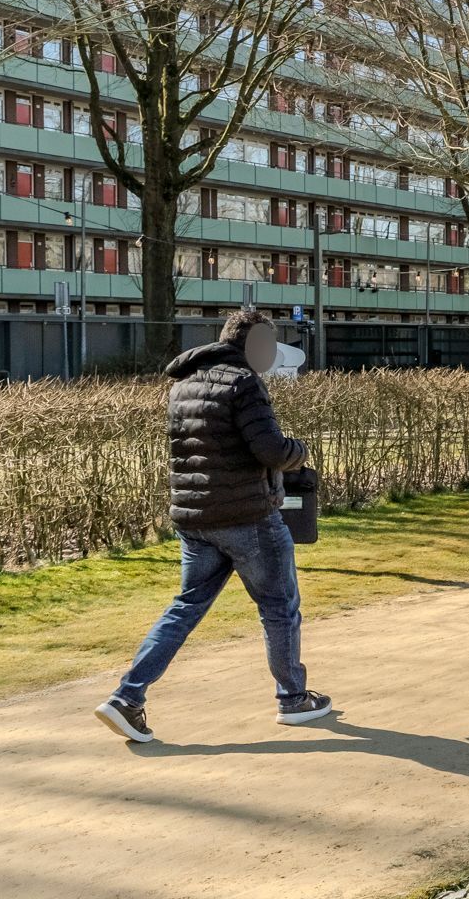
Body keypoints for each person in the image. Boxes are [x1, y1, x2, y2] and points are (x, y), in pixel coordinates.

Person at [94, 309, 328, 744]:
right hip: (248, 518)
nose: (270, 354)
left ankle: (126, 697)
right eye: (265, 344)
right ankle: (293, 699)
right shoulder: (244, 382)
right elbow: (271, 450)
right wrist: (300, 451)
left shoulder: (183, 383)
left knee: (186, 607)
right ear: (244, 344)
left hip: (196, 519)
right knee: (279, 607)